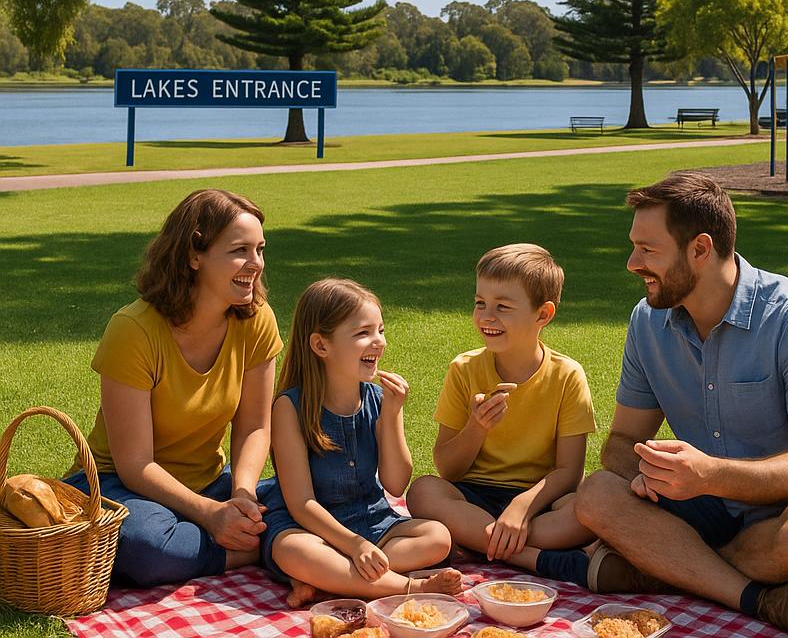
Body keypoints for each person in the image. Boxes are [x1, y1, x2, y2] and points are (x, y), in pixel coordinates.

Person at [574, 172, 788, 638]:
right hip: (704, 505)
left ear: (700, 249)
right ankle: (754, 596)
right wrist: (644, 472)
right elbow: (621, 442)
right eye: (634, 246)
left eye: (648, 249)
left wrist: (710, 475)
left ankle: (663, 568)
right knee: (597, 493)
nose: (632, 263)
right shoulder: (647, 323)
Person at [66, 188, 283, 587]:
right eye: (240, 251)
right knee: (148, 547)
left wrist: (244, 494)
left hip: (211, 480)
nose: (255, 264)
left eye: (260, 249)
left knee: (316, 496)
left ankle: (243, 539)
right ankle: (264, 548)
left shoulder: (257, 320)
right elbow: (135, 464)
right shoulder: (133, 330)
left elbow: (254, 426)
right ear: (193, 255)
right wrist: (209, 514)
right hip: (119, 484)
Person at [260, 278, 462, 605]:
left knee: (438, 537)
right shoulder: (290, 407)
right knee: (294, 551)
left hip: (371, 522)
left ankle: (333, 578)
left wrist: (393, 414)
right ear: (321, 346)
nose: (378, 342)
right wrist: (354, 546)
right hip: (310, 528)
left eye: (381, 330)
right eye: (363, 333)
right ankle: (409, 587)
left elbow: (396, 485)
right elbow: (301, 504)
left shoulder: (378, 399)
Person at [406, 243, 596, 582]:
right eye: (480, 303)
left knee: (587, 511)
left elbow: (569, 472)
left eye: (503, 307)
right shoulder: (464, 369)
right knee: (422, 491)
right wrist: (476, 428)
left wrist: (522, 507)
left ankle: (479, 543)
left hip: (539, 502)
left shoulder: (567, 375)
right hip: (473, 498)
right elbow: (447, 468)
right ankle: (531, 559)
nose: (486, 316)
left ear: (543, 314)